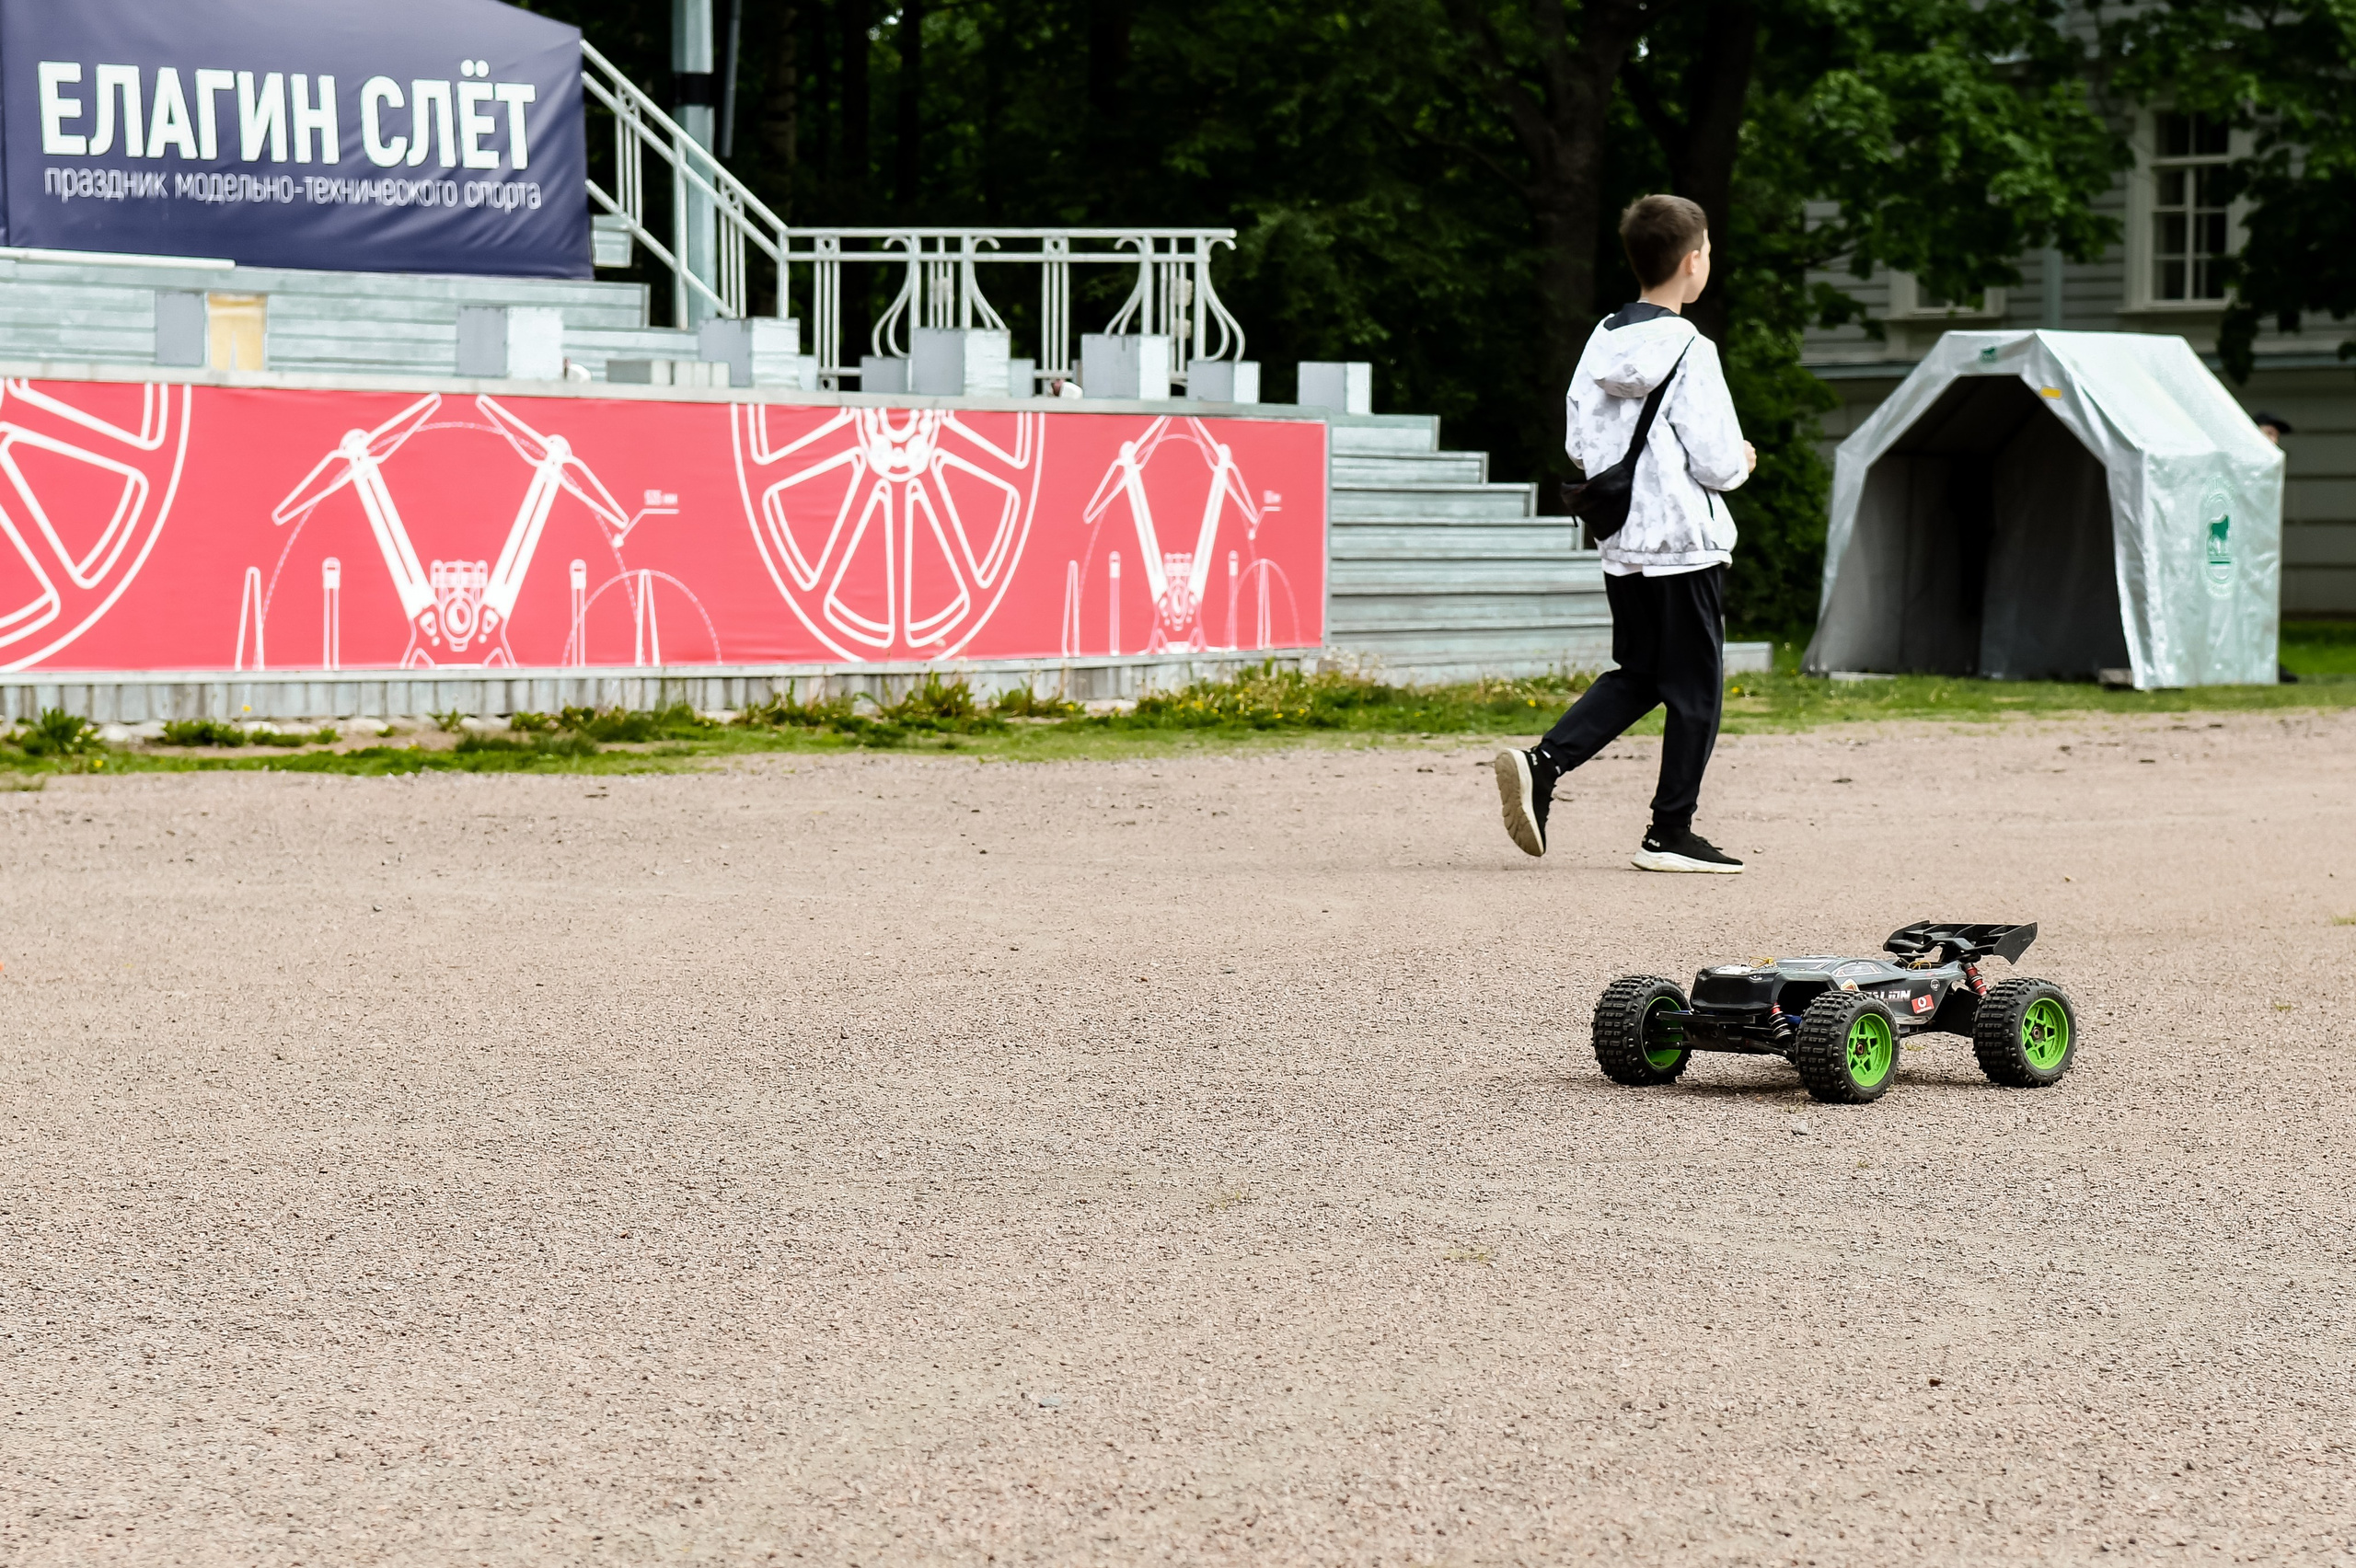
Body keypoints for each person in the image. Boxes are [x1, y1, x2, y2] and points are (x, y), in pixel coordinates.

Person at [1493, 193, 1757, 872]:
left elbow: (1581, 446)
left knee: (1640, 673)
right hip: (1685, 546)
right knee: (1697, 692)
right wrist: (1743, 459)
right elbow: (1719, 463)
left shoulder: (1602, 339)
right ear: (1693, 262)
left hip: (1623, 543)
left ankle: (1543, 763)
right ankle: (1670, 833)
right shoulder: (1692, 349)